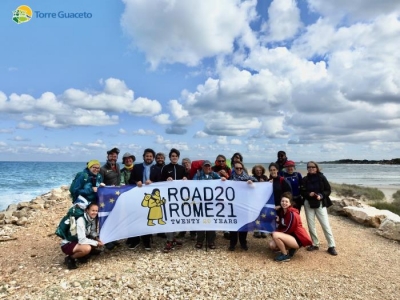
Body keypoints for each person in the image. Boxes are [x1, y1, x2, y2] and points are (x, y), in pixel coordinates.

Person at [301, 161, 338, 256]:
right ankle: (315, 243)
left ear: (316, 168)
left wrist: (321, 195)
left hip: (320, 203)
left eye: (313, 167)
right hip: (308, 203)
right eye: (309, 167)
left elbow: (328, 190)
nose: (311, 168)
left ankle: (331, 246)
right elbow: (302, 191)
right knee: (311, 225)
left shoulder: (321, 177)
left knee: (325, 224)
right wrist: (308, 194)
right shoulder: (305, 179)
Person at [127, 148, 160, 250]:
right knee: (137, 217)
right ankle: (136, 239)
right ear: (144, 157)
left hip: (151, 198)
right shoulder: (137, 167)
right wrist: (136, 182)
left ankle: (146, 241)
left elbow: (161, 182)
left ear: (153, 158)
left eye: (150, 156)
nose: (148, 158)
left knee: (147, 218)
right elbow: (130, 180)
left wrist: (153, 182)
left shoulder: (157, 169)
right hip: (138, 197)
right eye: (147, 156)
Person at [269, 192, 312, 262]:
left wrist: (275, 233)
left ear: (290, 203)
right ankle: (292, 248)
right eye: (282, 201)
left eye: (286, 201)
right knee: (272, 245)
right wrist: (278, 221)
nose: (284, 203)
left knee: (275, 235)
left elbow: (289, 229)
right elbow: (283, 226)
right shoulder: (283, 212)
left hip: (297, 238)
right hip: (290, 236)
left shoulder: (292, 213)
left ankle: (285, 255)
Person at [193, 160, 226, 249]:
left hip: (212, 203)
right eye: (206, 166)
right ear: (202, 167)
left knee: (211, 222)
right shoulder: (198, 175)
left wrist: (222, 179)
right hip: (201, 202)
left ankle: (211, 241)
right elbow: (193, 184)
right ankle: (200, 241)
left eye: (209, 166)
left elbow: (221, 181)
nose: (208, 168)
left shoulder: (213, 174)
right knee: (200, 222)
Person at [61, 203, 104, 269]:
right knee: (87, 248)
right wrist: (97, 243)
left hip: (77, 240)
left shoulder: (92, 219)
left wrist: (97, 238)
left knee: (95, 240)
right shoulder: (81, 220)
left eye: (96, 211)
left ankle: (82, 256)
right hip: (69, 243)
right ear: (87, 210)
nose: (95, 212)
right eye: (93, 210)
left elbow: (92, 231)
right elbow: (82, 240)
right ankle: (70, 258)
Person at [161, 148, 187, 253]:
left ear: (178, 157)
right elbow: (160, 181)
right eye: (172, 156)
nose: (174, 157)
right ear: (170, 157)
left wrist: (185, 178)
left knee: (177, 217)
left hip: (179, 198)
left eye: (176, 156)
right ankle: (169, 239)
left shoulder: (182, 168)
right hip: (168, 197)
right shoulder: (165, 168)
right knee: (169, 217)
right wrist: (166, 180)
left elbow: (187, 179)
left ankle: (173, 237)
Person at [228, 161, 257, 251]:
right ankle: (232, 243)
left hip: (245, 205)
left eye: (240, 168)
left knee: (244, 225)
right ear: (234, 168)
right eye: (237, 168)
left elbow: (258, 183)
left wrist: (252, 183)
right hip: (233, 205)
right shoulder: (230, 178)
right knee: (233, 225)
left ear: (243, 168)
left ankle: (243, 243)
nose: (239, 170)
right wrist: (223, 180)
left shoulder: (247, 177)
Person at [99, 147, 121, 250]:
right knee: (106, 217)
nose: (113, 157)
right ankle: (106, 241)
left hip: (116, 195)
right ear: (107, 156)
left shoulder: (117, 166)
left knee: (114, 216)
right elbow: (100, 183)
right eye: (111, 155)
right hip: (107, 197)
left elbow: (119, 180)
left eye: (115, 156)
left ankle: (113, 238)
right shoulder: (103, 169)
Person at [251, 164, 268, 238]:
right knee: (256, 215)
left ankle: (263, 231)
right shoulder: (252, 178)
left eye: (260, 170)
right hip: (255, 199)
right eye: (257, 170)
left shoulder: (265, 177)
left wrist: (264, 183)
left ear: (262, 171)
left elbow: (268, 187)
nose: (258, 172)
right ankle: (256, 231)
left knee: (263, 215)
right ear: (254, 171)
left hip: (263, 199)